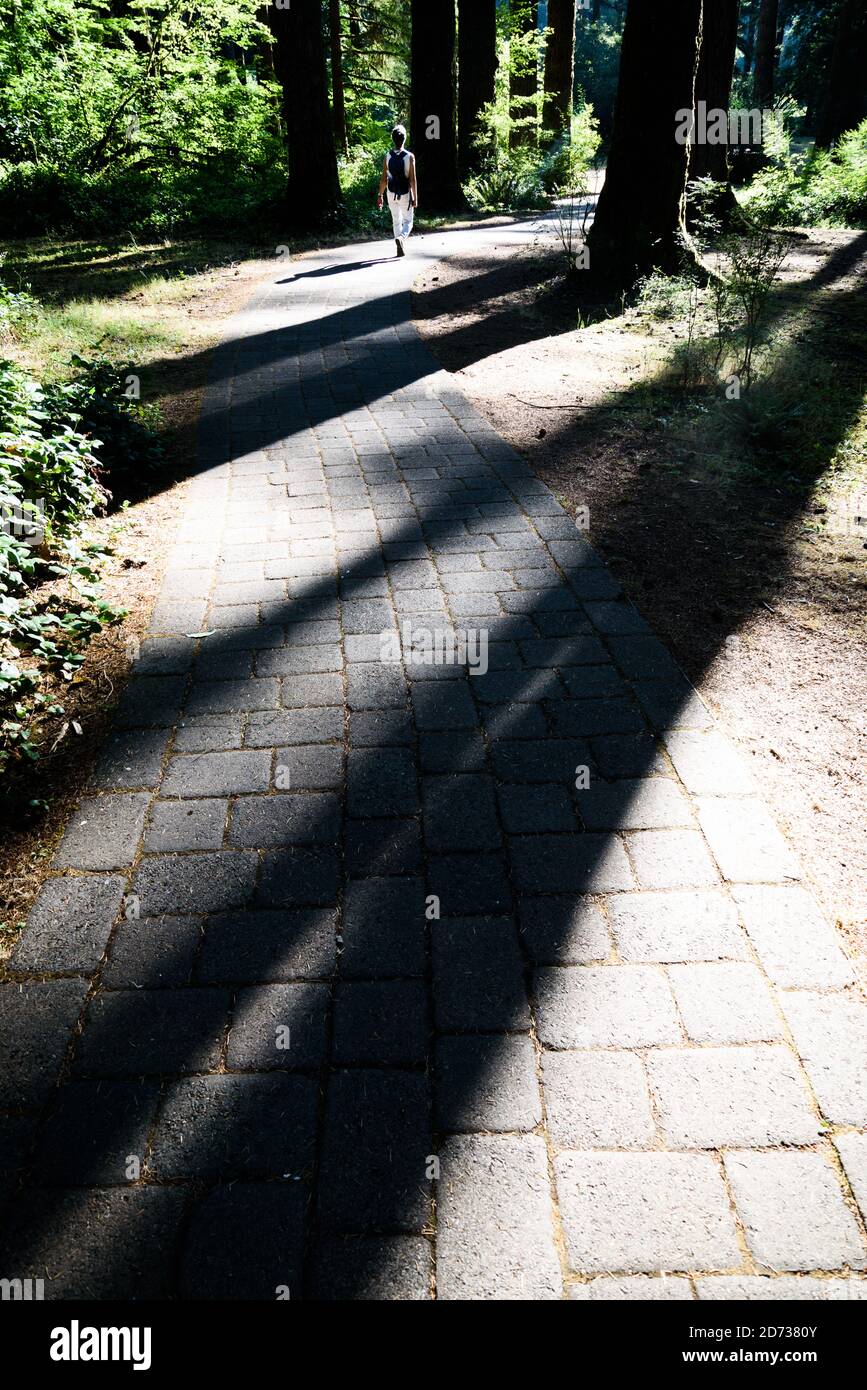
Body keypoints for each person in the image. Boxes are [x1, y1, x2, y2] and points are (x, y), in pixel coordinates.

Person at [377, 124, 418, 257]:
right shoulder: (410, 156)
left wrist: (380, 195)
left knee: (396, 220)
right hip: (405, 193)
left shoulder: (387, 156)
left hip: (390, 192)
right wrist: (415, 198)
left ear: (393, 139)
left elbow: (384, 179)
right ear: (404, 139)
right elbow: (412, 180)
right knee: (408, 221)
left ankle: (398, 247)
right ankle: (401, 239)